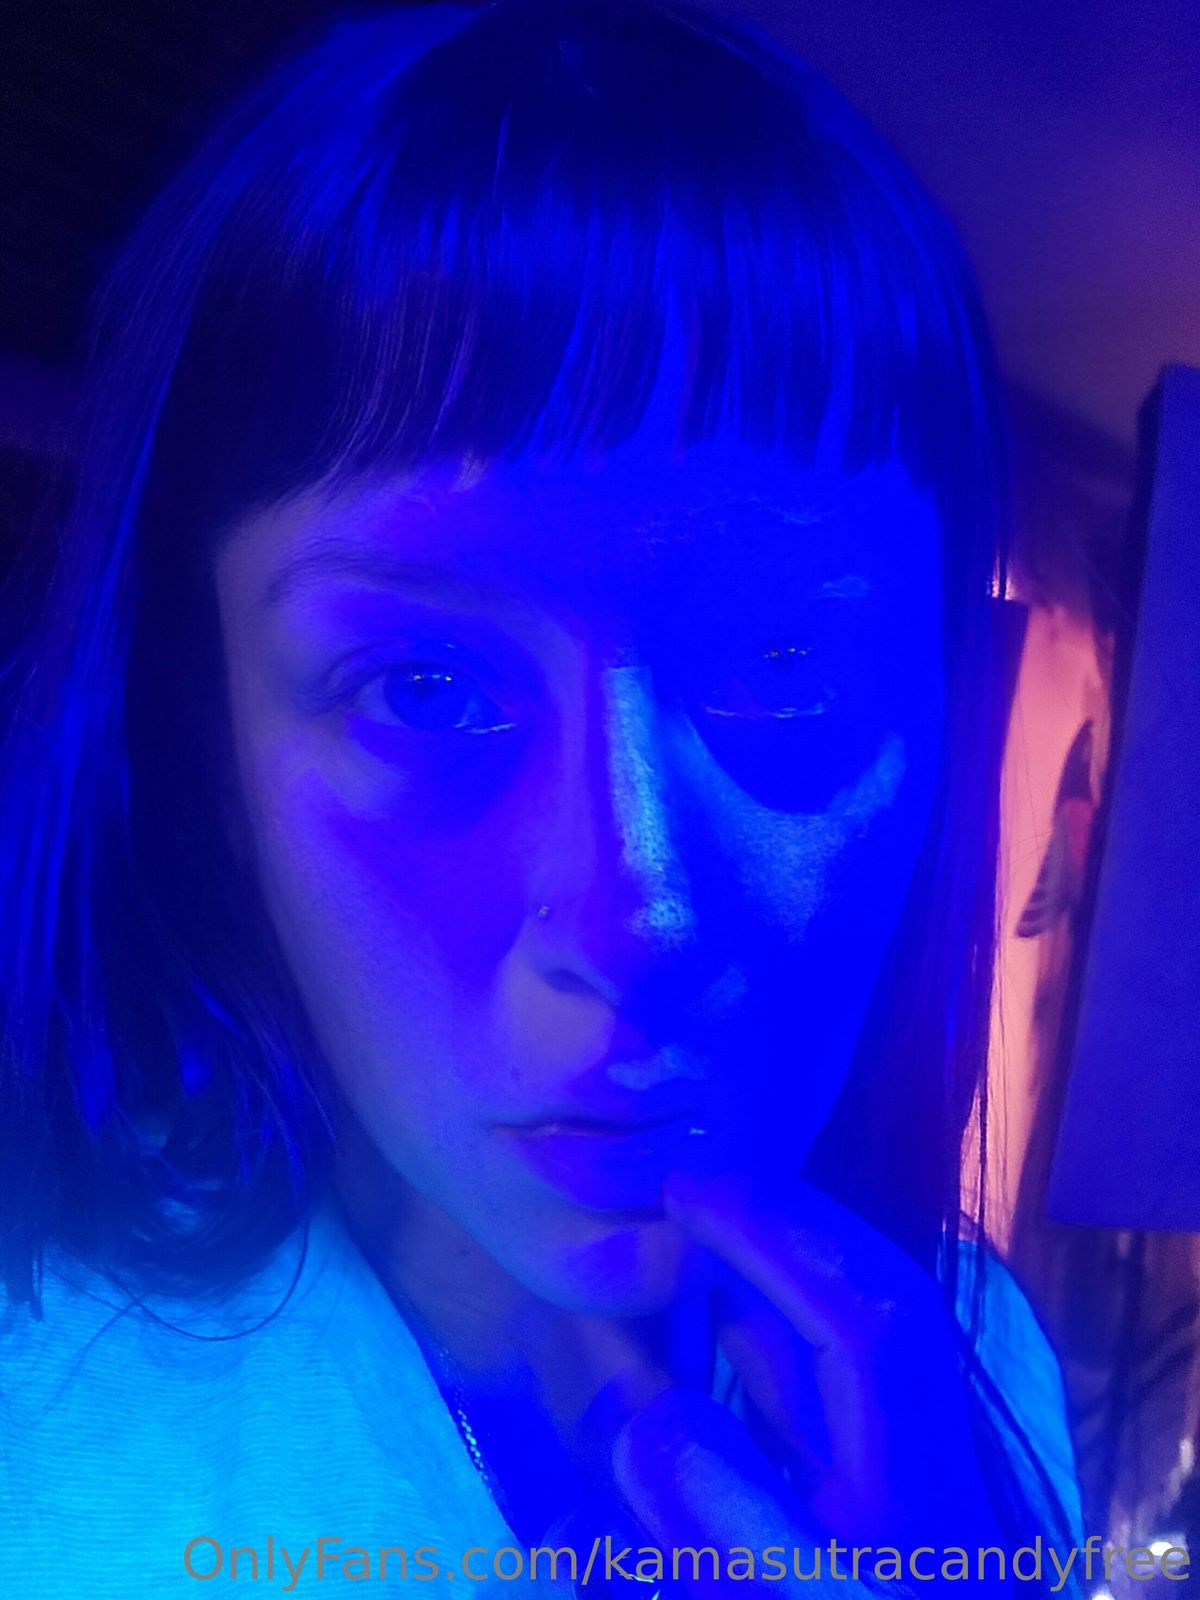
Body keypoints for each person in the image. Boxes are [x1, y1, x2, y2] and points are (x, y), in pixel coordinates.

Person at [0, 1, 1085, 1594]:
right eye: (424, 690)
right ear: (209, 751)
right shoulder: (55, 1472)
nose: (641, 920)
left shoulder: (968, 1352)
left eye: (790, 665)